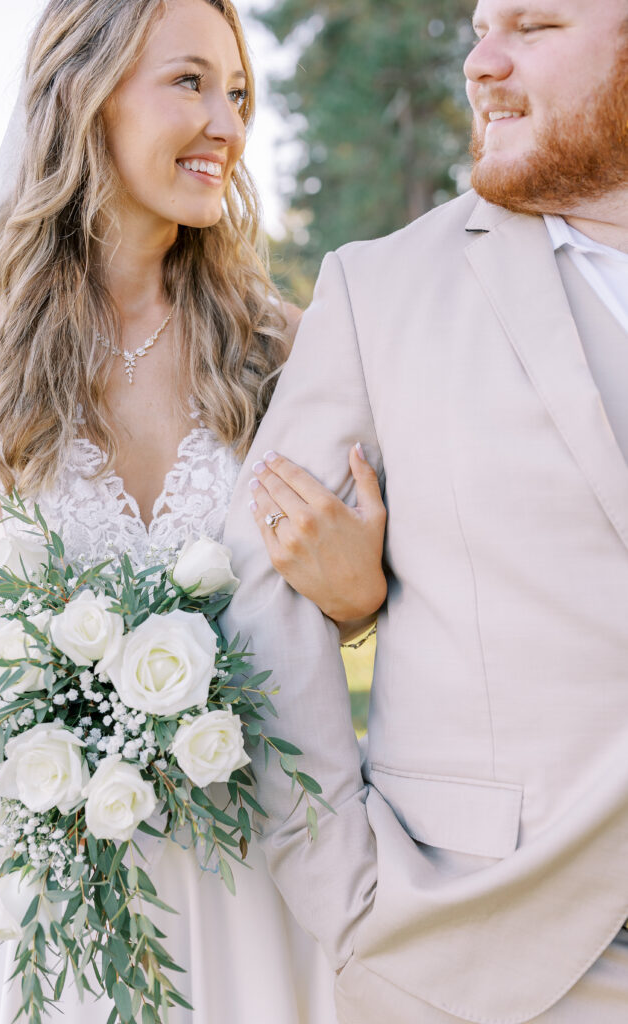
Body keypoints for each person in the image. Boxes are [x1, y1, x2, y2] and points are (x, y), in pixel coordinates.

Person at [0, 1, 388, 1021]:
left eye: (238, 93)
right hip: (49, 893)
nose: (227, 123)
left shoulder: (291, 346)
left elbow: (381, 595)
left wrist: (358, 589)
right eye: (188, 83)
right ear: (83, 95)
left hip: (256, 867)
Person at [222, 0, 628, 1021]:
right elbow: (255, 605)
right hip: (501, 964)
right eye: (479, 31)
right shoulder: (380, 289)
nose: (481, 64)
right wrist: (347, 894)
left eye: (532, 29)